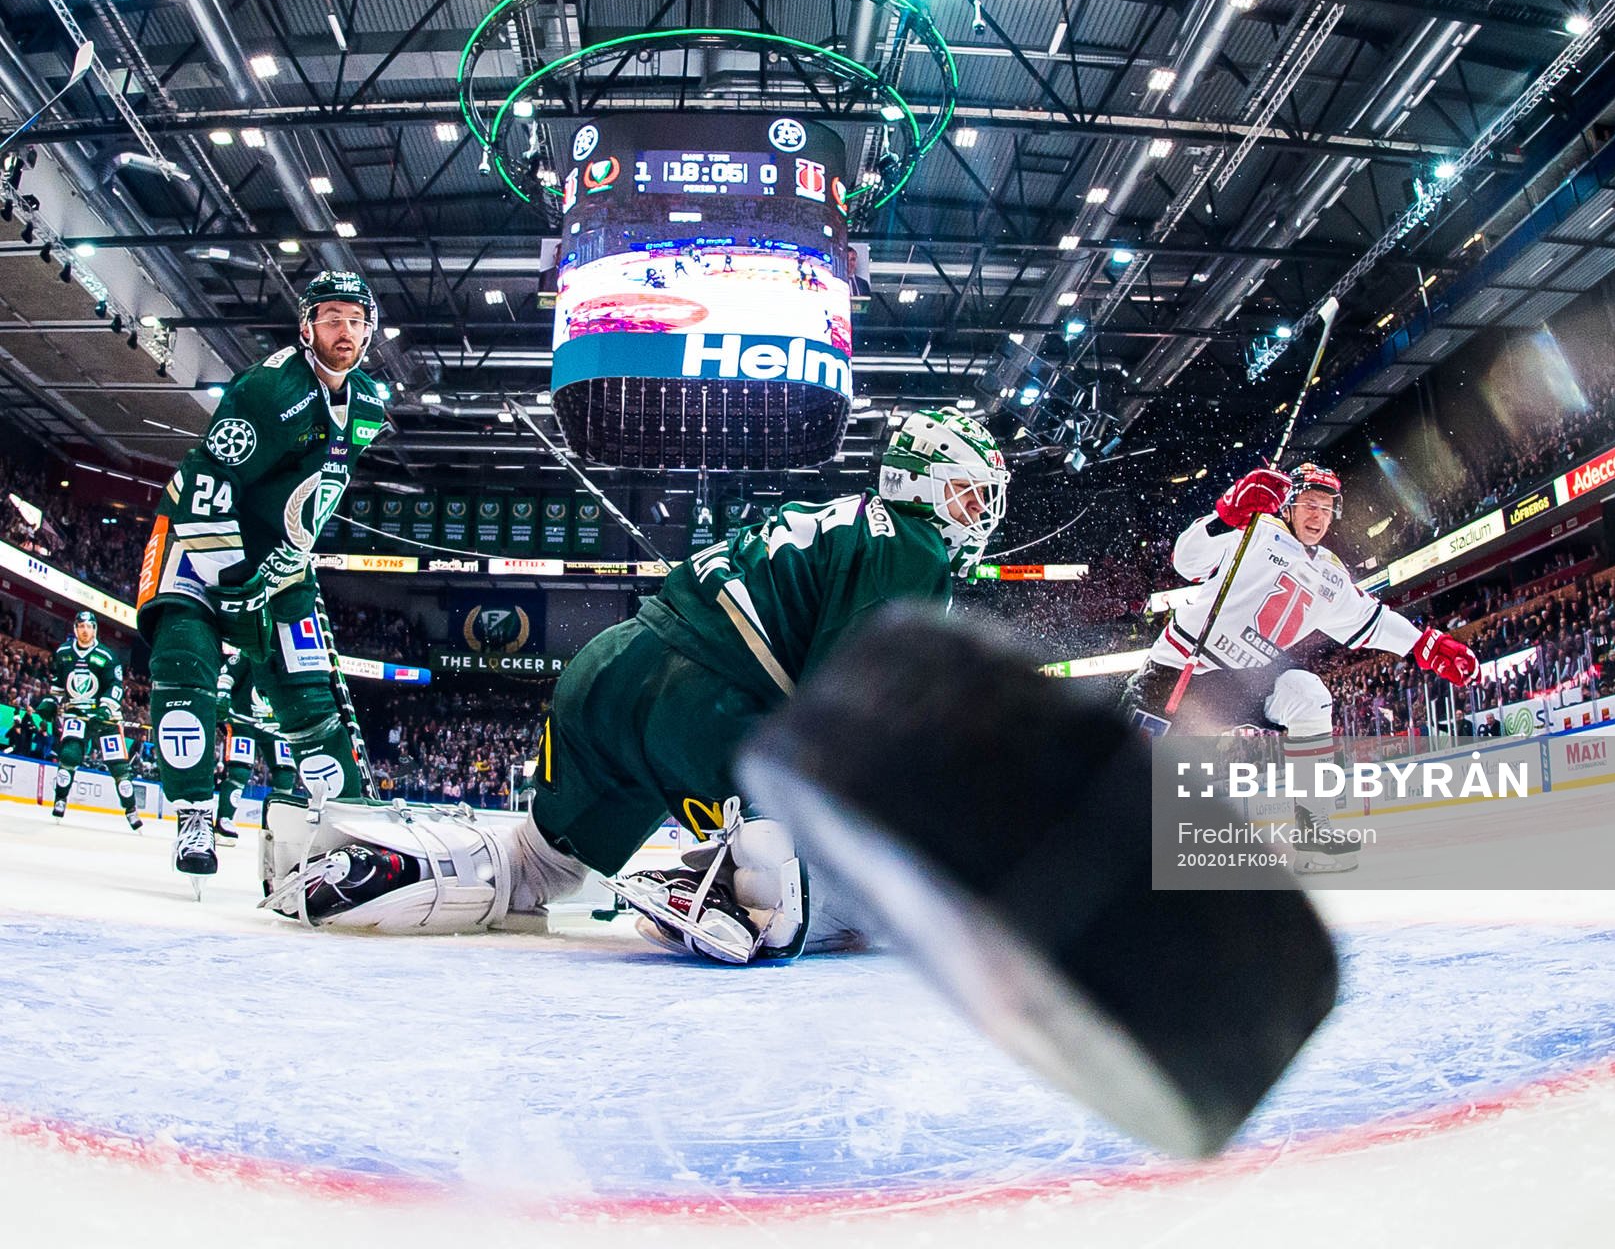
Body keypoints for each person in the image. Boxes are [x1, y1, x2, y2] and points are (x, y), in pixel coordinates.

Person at [262, 407, 1010, 964]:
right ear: (922, 483)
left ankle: (382, 868)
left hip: (608, 667)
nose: (978, 515)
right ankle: (733, 890)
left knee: (536, 864)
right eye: (969, 495)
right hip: (705, 702)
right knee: (837, 887)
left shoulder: (841, 519)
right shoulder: (913, 546)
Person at [135, 271, 389, 884]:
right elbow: (207, 482)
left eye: (356, 320)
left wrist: (282, 566)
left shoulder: (367, 404)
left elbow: (316, 488)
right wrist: (234, 578)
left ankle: (350, 827)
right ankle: (195, 814)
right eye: (332, 318)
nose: (345, 330)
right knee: (183, 663)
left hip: (280, 565)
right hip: (196, 546)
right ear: (307, 327)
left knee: (310, 698)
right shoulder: (268, 390)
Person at [1120, 463, 1478, 872]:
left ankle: (1312, 833)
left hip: (1245, 680)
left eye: (1326, 508)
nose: (1317, 516)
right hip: (1179, 669)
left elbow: (1372, 620)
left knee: (1309, 697)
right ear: (1288, 504)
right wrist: (1228, 512)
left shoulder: (1331, 575)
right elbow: (1186, 561)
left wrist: (1425, 645)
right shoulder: (1256, 527)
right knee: (1124, 777)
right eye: (1310, 503)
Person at [38, 610, 140, 829]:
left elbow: (115, 686)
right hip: (76, 713)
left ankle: (131, 809)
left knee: (119, 767)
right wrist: (51, 702)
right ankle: (60, 799)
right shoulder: (64, 653)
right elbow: (58, 684)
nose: (85, 631)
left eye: (89, 627)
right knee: (69, 754)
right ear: (75, 629)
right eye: (81, 626)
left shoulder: (107, 656)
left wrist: (105, 710)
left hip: (106, 718)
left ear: (95, 629)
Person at [212, 647, 301, 846]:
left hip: (276, 726)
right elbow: (227, 674)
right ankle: (224, 821)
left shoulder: (289, 657)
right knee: (240, 771)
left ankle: (275, 827)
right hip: (243, 721)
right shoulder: (250, 651)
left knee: (286, 775)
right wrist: (223, 695)